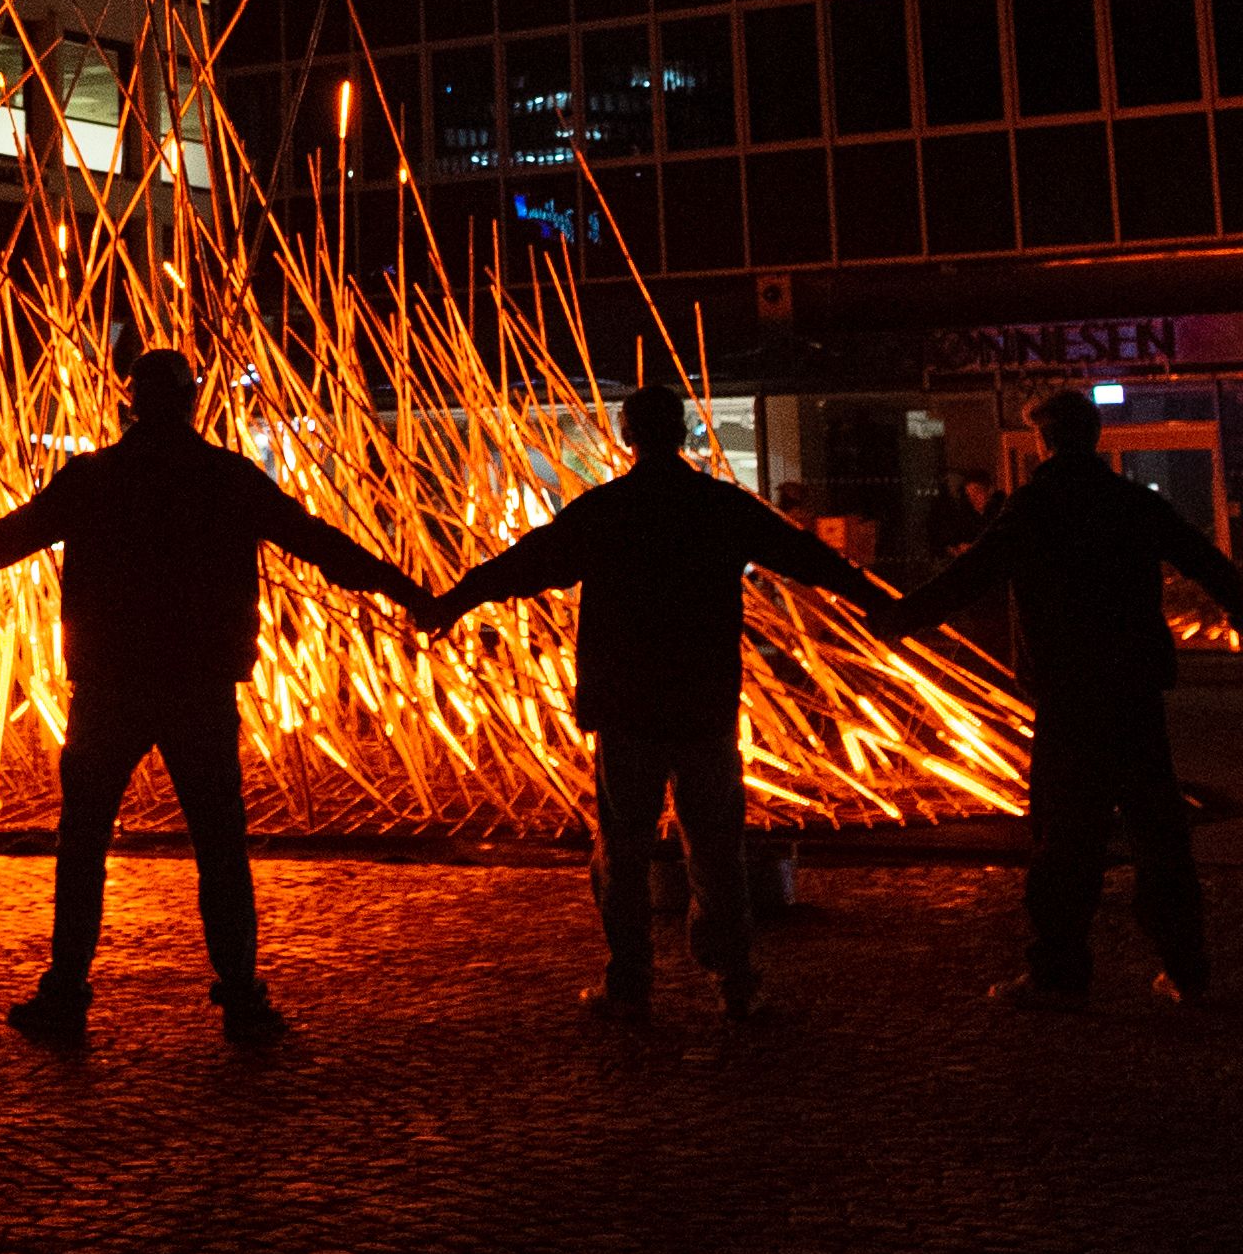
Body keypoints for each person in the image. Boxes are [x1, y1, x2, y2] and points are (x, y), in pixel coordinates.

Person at [0, 347, 436, 1050]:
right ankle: (240, 995)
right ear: (191, 401)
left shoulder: (94, 479)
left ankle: (66, 990)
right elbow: (319, 543)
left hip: (109, 682)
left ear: (131, 403)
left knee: (83, 843)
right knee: (219, 845)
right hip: (198, 683)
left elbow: (2, 541)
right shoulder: (223, 477)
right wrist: (411, 593)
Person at [432, 380, 902, 1023]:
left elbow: (526, 562)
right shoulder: (717, 506)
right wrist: (881, 604)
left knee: (622, 851)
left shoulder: (608, 509)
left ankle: (629, 983)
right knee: (715, 847)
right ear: (682, 433)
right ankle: (734, 979)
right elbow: (805, 558)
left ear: (628, 436)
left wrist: (454, 601)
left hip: (627, 704)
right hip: (703, 700)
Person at [888, 387, 1240, 1008]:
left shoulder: (1036, 505)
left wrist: (897, 619)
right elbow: (1211, 566)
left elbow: (971, 577)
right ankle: (1187, 969)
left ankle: (1058, 972)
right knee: (1159, 834)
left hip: (1070, 696)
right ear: (1096, 437)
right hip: (1133, 693)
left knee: (1065, 837)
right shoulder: (1131, 502)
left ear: (1046, 441)